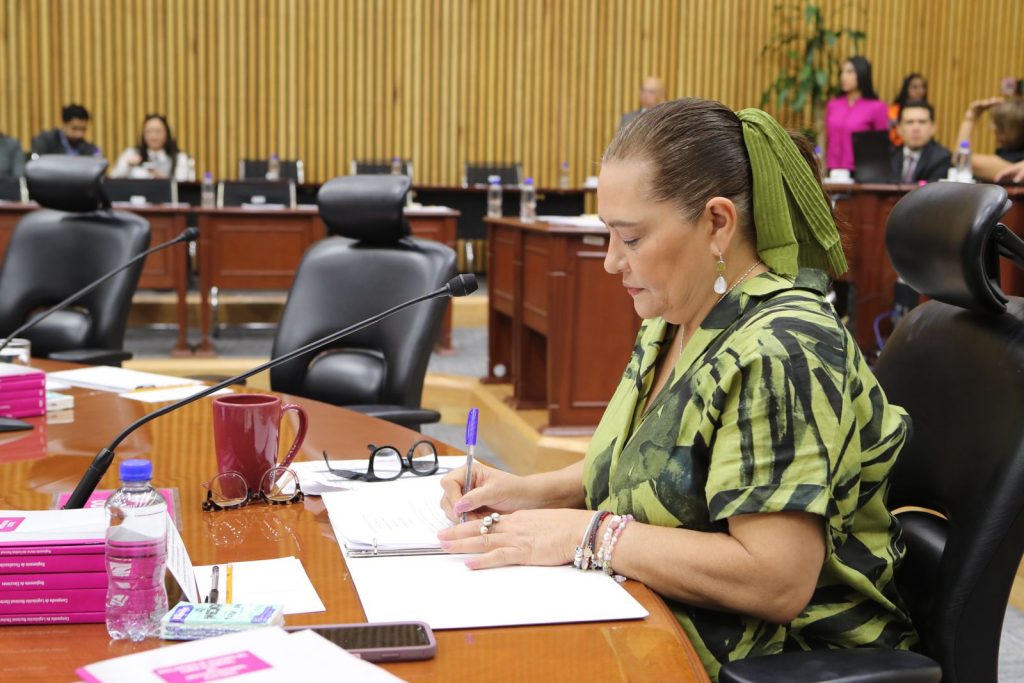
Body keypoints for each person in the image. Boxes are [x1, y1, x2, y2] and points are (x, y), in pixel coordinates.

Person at [438, 98, 918, 680]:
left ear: (716, 223)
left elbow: (776, 579)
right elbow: (646, 471)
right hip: (657, 612)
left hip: (773, 656)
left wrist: (591, 533)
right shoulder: (673, 317)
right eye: (608, 235)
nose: (611, 262)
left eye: (631, 239)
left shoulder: (782, 348)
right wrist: (526, 492)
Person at [824, 56, 888, 171]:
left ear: (862, 74)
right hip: (832, 170)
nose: (843, 77)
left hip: (860, 171)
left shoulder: (877, 107)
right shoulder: (833, 105)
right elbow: (828, 139)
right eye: (842, 72)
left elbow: (881, 147)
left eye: (849, 72)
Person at [955, 97, 1024, 181]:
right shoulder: (1009, 154)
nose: (992, 127)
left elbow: (961, 160)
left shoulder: (1016, 162)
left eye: (995, 124)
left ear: (1007, 131)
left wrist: (970, 117)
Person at [110, 114, 194, 181]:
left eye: (158, 131)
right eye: (149, 131)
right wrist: (127, 165)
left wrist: (164, 180)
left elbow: (184, 184)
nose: (153, 136)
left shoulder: (180, 158)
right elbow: (113, 179)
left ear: (167, 133)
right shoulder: (131, 153)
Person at [890, 101, 951, 183]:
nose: (916, 128)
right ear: (899, 128)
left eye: (922, 122)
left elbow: (933, 188)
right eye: (909, 122)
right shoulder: (889, 156)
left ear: (933, 128)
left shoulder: (942, 158)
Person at [31, 104, 101, 157]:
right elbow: (36, 163)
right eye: (74, 128)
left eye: (83, 129)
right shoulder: (45, 142)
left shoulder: (89, 149)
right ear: (63, 125)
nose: (79, 134)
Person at [888, 73, 928, 146]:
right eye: (915, 87)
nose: (920, 91)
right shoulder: (894, 110)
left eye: (923, 87)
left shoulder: (926, 111)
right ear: (906, 90)